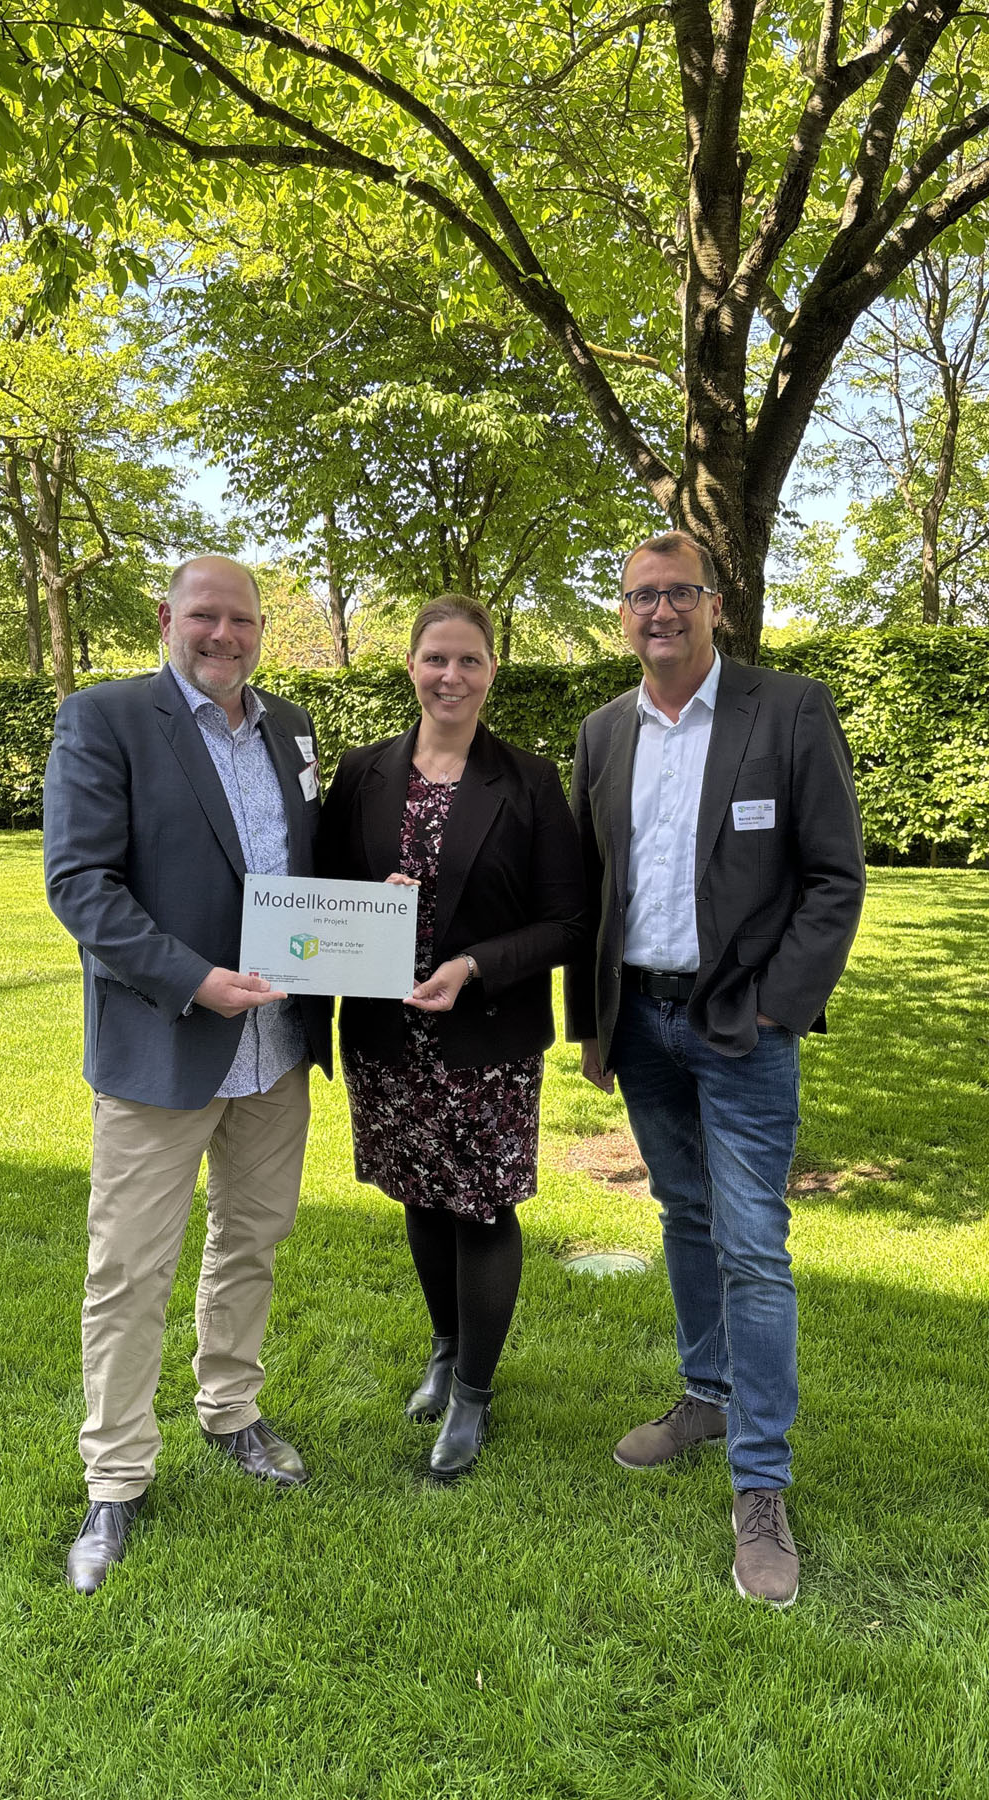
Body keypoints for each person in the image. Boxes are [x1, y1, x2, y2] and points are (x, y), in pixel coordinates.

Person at [565, 532, 865, 1607]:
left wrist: (780, 1003)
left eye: (680, 593)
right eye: (642, 595)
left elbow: (834, 876)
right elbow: (588, 891)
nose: (661, 612)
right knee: (683, 1215)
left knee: (752, 1245)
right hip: (640, 1021)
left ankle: (761, 1485)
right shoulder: (603, 731)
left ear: (715, 604)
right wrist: (592, 1024)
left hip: (743, 1024)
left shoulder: (788, 710)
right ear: (623, 613)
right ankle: (705, 1395)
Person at [44, 554, 331, 1595]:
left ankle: (231, 1410)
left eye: (242, 620)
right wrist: (194, 980)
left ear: (261, 630)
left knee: (251, 1241)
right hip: (164, 1047)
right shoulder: (107, 718)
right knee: (130, 1270)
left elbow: (304, 868)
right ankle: (115, 1476)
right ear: (167, 617)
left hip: (276, 1049)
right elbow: (81, 884)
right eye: (205, 616)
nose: (224, 635)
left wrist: (374, 903)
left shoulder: (290, 726)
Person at [318, 595, 585, 1480]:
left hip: (486, 1038)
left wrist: (473, 965)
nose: (451, 676)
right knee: (419, 1193)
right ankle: (444, 1346)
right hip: (386, 1033)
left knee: (483, 1203)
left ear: (492, 671)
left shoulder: (529, 780)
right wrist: (368, 901)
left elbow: (568, 921)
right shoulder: (362, 772)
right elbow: (321, 889)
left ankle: (473, 1390)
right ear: (410, 666)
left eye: (470, 660)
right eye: (436, 658)